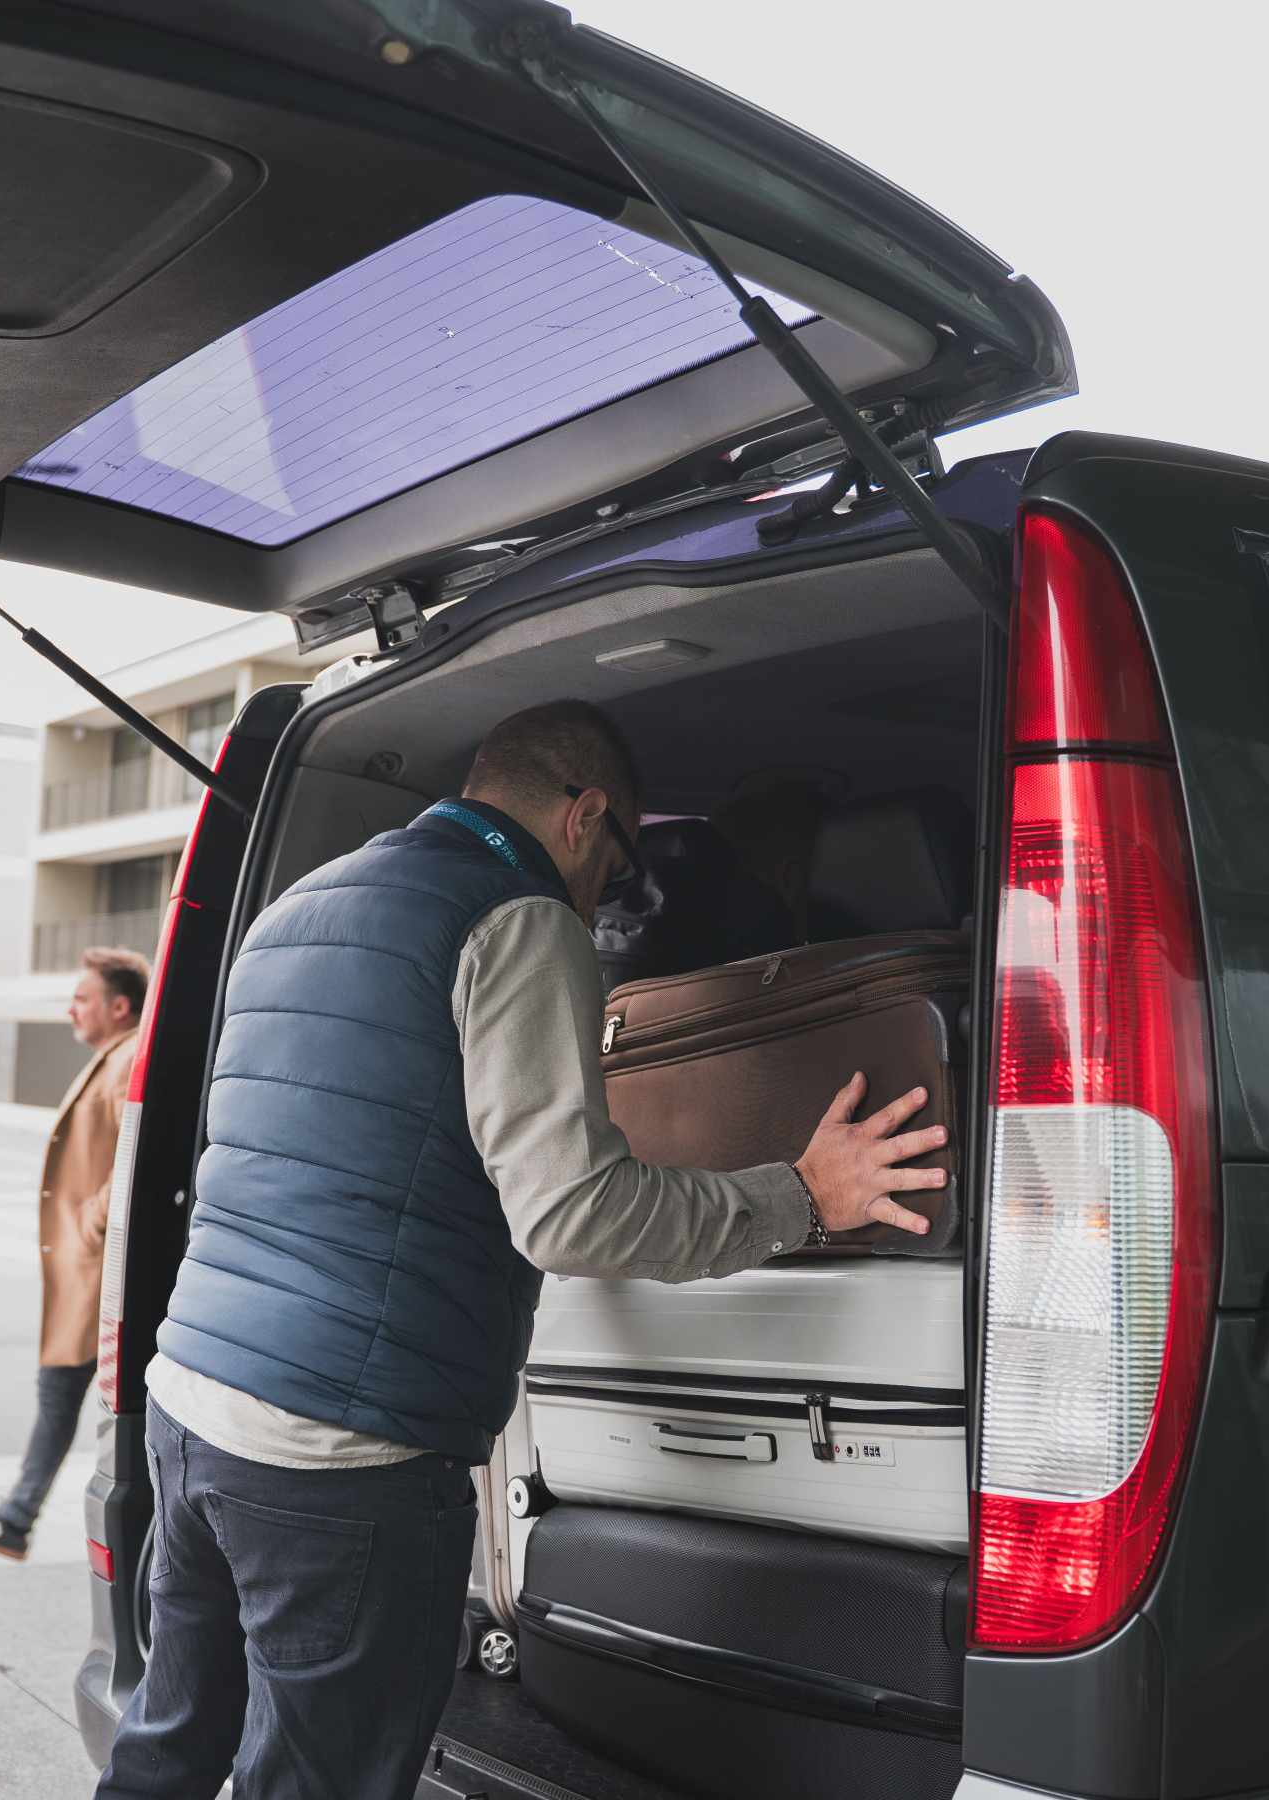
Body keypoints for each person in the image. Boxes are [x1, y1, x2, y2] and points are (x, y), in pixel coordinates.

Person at [96, 701, 945, 1799]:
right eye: (623, 865)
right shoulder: (519, 919)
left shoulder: (297, 903)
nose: (611, 899)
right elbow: (574, 1216)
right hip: (337, 1457)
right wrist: (803, 1194)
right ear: (587, 814)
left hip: (192, 1401)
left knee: (166, 1748)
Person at [0, 946, 148, 1561]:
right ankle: (17, 1516)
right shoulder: (116, 1056)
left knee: (75, 1401)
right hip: (90, 1274)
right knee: (63, 1399)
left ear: (119, 1005)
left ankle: (19, 1518)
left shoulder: (129, 1058)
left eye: (82, 998)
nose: (71, 1010)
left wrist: (90, 1221)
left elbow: (134, 1158)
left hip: (100, 1274)